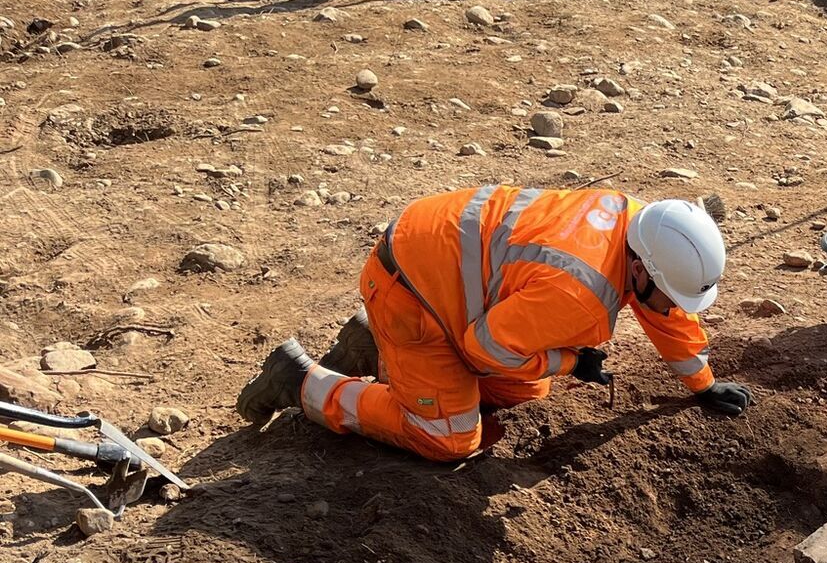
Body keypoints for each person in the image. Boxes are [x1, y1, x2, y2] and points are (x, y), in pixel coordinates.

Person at [237, 188, 755, 461]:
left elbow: (666, 313)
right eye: (670, 294)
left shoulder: (638, 221)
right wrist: (571, 361)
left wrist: (703, 384)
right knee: (448, 438)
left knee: (527, 386)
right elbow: (486, 350)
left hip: (433, 267)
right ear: (640, 270)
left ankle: (374, 342)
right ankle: (302, 381)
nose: (672, 307)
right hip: (411, 294)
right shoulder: (580, 295)